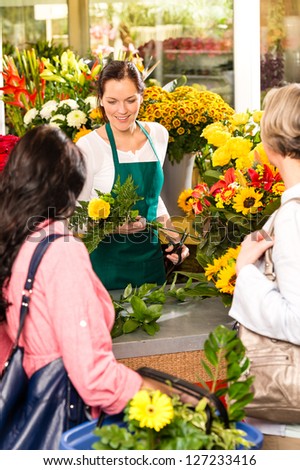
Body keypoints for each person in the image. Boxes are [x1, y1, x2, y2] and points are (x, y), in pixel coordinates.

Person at [0, 125, 192, 439]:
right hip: (64, 418)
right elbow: (93, 378)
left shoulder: (17, 240)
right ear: (72, 189)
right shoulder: (62, 252)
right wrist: (167, 402)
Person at [228, 83, 300, 450]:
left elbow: (296, 321)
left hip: (289, 422)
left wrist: (247, 271)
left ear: (270, 147)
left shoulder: (293, 218)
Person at [76, 60, 189, 290]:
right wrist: (113, 227)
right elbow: (75, 219)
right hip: (105, 269)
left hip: (150, 265)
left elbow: (153, 199)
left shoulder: (158, 135)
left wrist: (175, 240)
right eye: (112, 101)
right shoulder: (88, 146)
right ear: (100, 100)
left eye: (130, 100)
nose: (122, 110)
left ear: (142, 96)